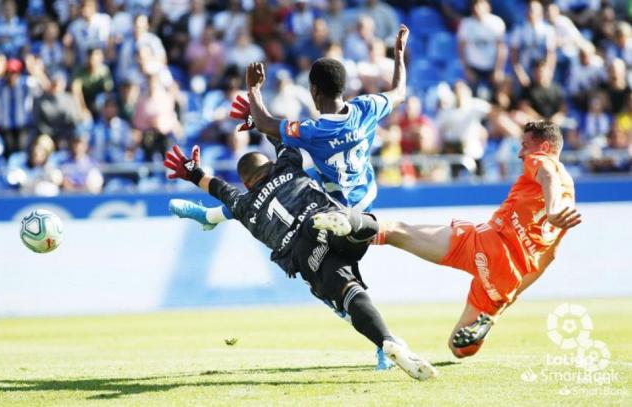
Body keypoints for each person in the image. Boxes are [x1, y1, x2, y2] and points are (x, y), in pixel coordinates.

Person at [169, 24, 409, 369]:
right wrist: (398, 55)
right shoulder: (367, 107)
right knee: (283, 186)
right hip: (363, 200)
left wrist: (254, 94)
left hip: (333, 205)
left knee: (269, 199)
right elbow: (399, 91)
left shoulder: (312, 131)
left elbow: (273, 128)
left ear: (313, 90)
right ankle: (211, 216)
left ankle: (210, 217)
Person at [163, 141, 437, 381]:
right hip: (317, 219)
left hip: (303, 255)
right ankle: (348, 224)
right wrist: (257, 115)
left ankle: (386, 340)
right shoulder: (286, 167)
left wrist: (193, 173)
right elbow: (281, 136)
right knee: (363, 230)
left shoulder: (242, 205)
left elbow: (220, 189)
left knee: (348, 292)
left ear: (246, 184)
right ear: (270, 164)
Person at [372, 121, 582, 358]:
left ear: (544, 147)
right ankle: (485, 323)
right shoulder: (570, 197)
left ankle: (340, 226)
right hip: (507, 277)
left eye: (525, 146)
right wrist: (508, 297)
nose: (521, 153)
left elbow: (547, 175)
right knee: (459, 348)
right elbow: (549, 257)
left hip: (488, 243)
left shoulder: (542, 161)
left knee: (394, 231)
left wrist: (552, 210)